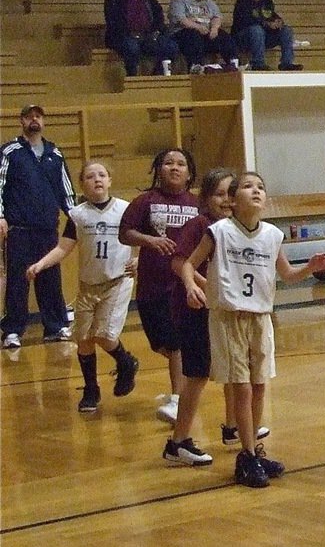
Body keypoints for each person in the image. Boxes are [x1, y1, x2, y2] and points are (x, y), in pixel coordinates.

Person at [181, 171, 325, 488]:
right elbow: (187, 264)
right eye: (248, 186)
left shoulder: (272, 236)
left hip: (261, 317)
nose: (256, 190)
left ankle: (254, 452)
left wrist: (310, 268)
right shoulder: (219, 231)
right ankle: (247, 456)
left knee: (260, 385)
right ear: (233, 200)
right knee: (243, 388)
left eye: (261, 186)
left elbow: (288, 275)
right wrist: (190, 287)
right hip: (228, 317)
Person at [26, 161, 139, 412]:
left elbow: (148, 238)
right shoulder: (77, 215)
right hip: (88, 285)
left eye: (102, 174)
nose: (97, 179)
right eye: (90, 176)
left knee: (105, 335)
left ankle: (126, 362)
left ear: (110, 180)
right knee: (84, 339)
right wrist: (41, 264)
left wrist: (140, 259)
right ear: (82, 184)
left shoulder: (126, 210)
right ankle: (91, 389)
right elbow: (63, 248)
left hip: (117, 281)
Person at [163, 168, 238, 467]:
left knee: (234, 367)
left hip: (220, 310)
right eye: (219, 194)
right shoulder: (199, 225)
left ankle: (234, 426)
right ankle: (177, 442)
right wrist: (208, 288)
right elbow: (180, 263)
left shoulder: (234, 228)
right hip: (193, 310)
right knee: (198, 375)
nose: (227, 200)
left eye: (231, 193)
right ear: (205, 198)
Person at [118, 148, 200, 423]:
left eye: (180, 164)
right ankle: (185, 380)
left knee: (175, 344)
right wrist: (149, 241)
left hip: (181, 285)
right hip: (151, 285)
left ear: (189, 173)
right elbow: (125, 233)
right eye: (168, 163)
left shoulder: (197, 204)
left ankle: (178, 400)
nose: (174, 168)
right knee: (159, 344)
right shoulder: (144, 201)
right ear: (158, 169)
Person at [1, 104, 75, 349]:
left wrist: (76, 218)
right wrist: (0, 216)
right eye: (29, 116)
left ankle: (55, 326)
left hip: (47, 229)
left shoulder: (55, 152)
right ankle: (12, 330)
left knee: (51, 279)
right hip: (19, 230)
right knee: (17, 281)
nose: (34, 119)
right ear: (22, 121)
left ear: (43, 121)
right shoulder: (10, 151)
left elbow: (66, 190)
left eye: (38, 116)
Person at [103, 0, 181, 76]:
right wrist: (130, 34)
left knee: (170, 46)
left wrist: (155, 32)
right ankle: (132, 78)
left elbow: (159, 18)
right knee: (131, 47)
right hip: (124, 36)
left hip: (147, 37)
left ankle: (157, 74)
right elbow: (113, 22)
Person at [168, 0, 239, 73]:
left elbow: (217, 16)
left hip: (207, 32)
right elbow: (182, 20)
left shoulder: (207, 1)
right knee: (193, 36)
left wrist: (214, 29)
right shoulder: (178, 0)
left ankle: (233, 64)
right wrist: (198, 27)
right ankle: (196, 66)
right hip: (185, 33)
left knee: (224, 36)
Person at [232, 0, 303, 72]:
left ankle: (286, 63)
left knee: (286, 30)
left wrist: (278, 22)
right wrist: (266, 24)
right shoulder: (242, 2)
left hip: (263, 37)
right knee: (256, 30)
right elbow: (245, 20)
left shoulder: (267, 1)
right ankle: (258, 63)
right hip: (244, 38)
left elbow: (271, 15)